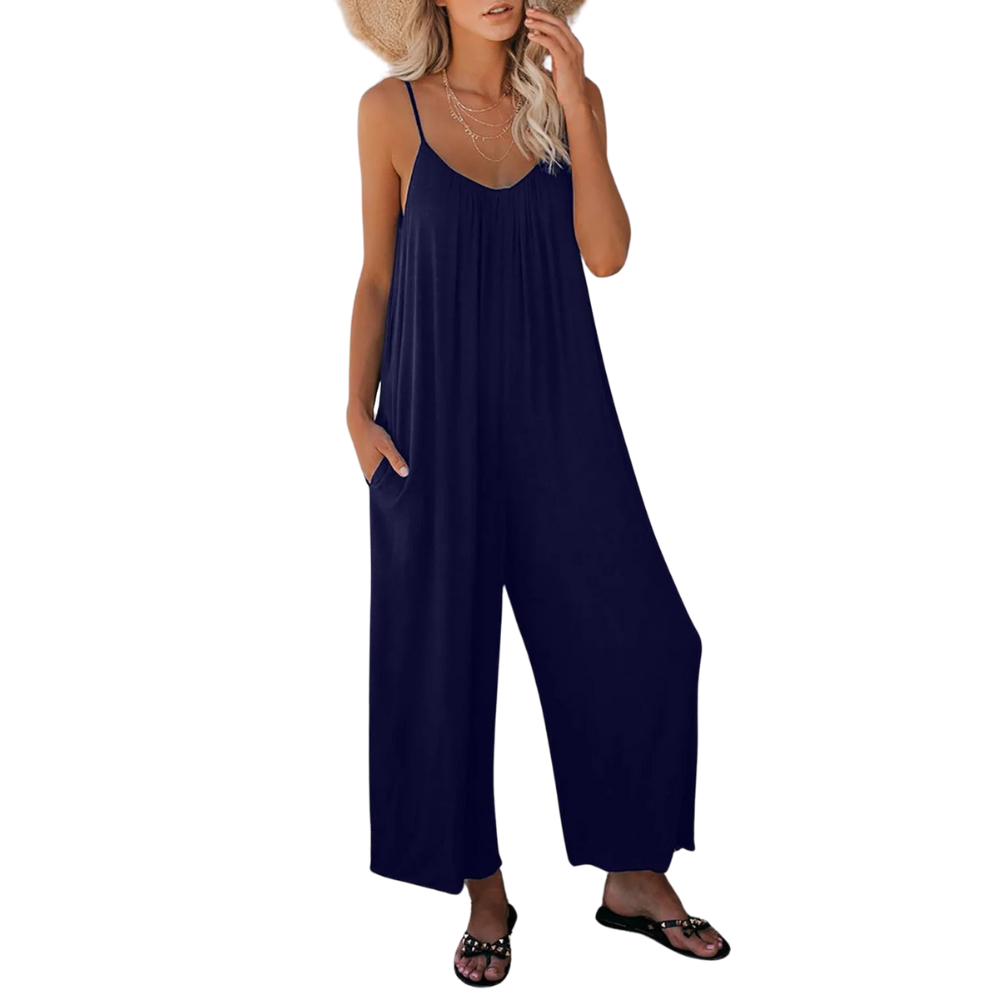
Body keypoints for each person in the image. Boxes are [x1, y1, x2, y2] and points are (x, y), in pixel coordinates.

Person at [341, 0, 730, 984]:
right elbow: (377, 276)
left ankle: (633, 876)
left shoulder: (570, 101)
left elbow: (607, 254)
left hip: (562, 412)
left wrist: (578, 106)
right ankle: (485, 892)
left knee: (646, 636)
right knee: (443, 662)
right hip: (431, 424)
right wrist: (355, 411)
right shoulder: (389, 112)